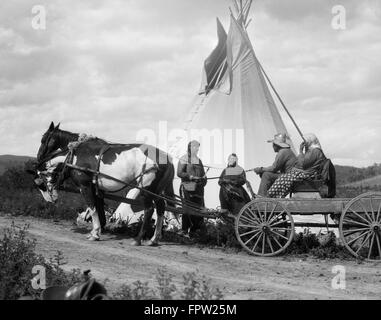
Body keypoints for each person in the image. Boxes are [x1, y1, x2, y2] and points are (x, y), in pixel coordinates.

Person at [267, 133, 327, 198]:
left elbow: (302, 164)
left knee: (284, 179)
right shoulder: (313, 151)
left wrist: (300, 151)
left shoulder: (315, 151)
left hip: (307, 174)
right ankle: (275, 195)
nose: (305, 144)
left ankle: (272, 195)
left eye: (305, 141)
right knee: (284, 178)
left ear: (309, 141)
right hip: (306, 173)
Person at [177, 140, 207, 237]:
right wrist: (191, 177)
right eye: (194, 147)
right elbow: (179, 173)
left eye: (197, 147)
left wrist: (203, 180)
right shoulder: (183, 158)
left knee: (198, 210)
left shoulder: (199, 161)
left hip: (198, 189)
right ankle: (184, 230)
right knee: (187, 209)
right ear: (189, 148)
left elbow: (203, 174)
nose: (197, 149)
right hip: (187, 188)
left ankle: (195, 231)